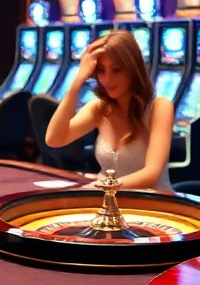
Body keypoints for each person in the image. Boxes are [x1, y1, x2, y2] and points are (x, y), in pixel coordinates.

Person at [45, 31, 175, 191]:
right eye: (101, 70)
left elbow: (151, 175)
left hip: (153, 206)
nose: (107, 79)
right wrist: (77, 82)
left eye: (116, 70)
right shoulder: (98, 108)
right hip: (108, 204)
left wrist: (100, 186)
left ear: (132, 68)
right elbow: (54, 139)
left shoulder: (159, 107)